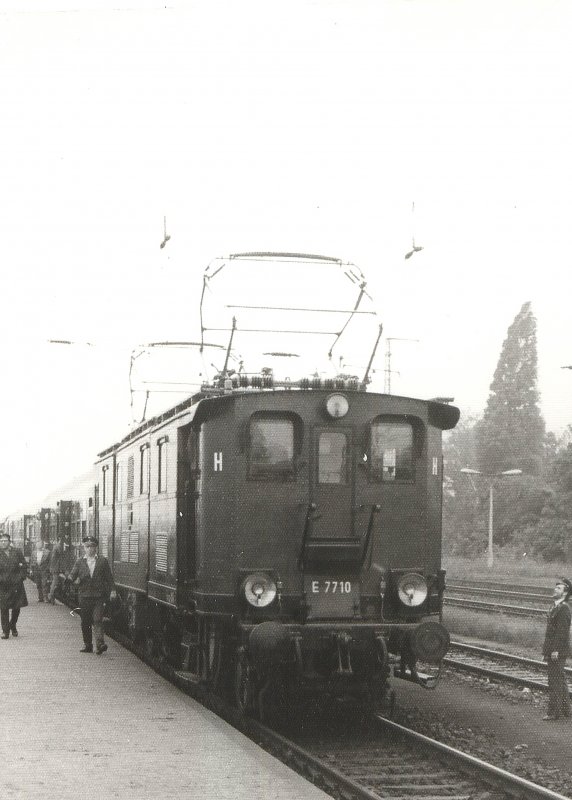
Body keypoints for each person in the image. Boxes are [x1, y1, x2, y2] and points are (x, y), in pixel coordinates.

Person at [68, 536, 115, 655]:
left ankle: (100, 644)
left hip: (99, 596)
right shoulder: (80, 562)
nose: (90, 549)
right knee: (85, 621)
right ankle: (88, 644)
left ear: (96, 548)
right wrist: (70, 581)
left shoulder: (102, 561)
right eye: (87, 547)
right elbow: (73, 575)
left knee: (98, 619)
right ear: (84, 548)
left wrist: (113, 590)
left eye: (92, 546)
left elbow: (109, 578)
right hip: (84, 596)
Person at [542, 577, 572, 721]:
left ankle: (554, 713)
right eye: (556, 587)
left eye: (559, 588)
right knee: (560, 680)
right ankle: (566, 711)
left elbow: (562, 632)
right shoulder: (555, 606)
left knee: (554, 681)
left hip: (558, 651)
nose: (555, 589)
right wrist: (546, 651)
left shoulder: (563, 608)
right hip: (554, 650)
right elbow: (550, 632)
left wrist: (555, 650)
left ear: (565, 593)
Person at [0, 532, 28, 638]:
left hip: (16, 585)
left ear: (9, 542)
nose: (3, 543)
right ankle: (5, 631)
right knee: (4, 608)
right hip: (3, 585)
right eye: (1, 541)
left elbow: (24, 565)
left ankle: (13, 624)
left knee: (17, 607)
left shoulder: (17, 552)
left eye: (5, 541)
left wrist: (21, 577)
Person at [47, 540, 65, 604]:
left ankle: (51, 597)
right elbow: (62, 555)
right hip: (55, 568)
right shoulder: (58, 546)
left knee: (54, 582)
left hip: (54, 567)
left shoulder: (56, 546)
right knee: (55, 582)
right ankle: (50, 596)